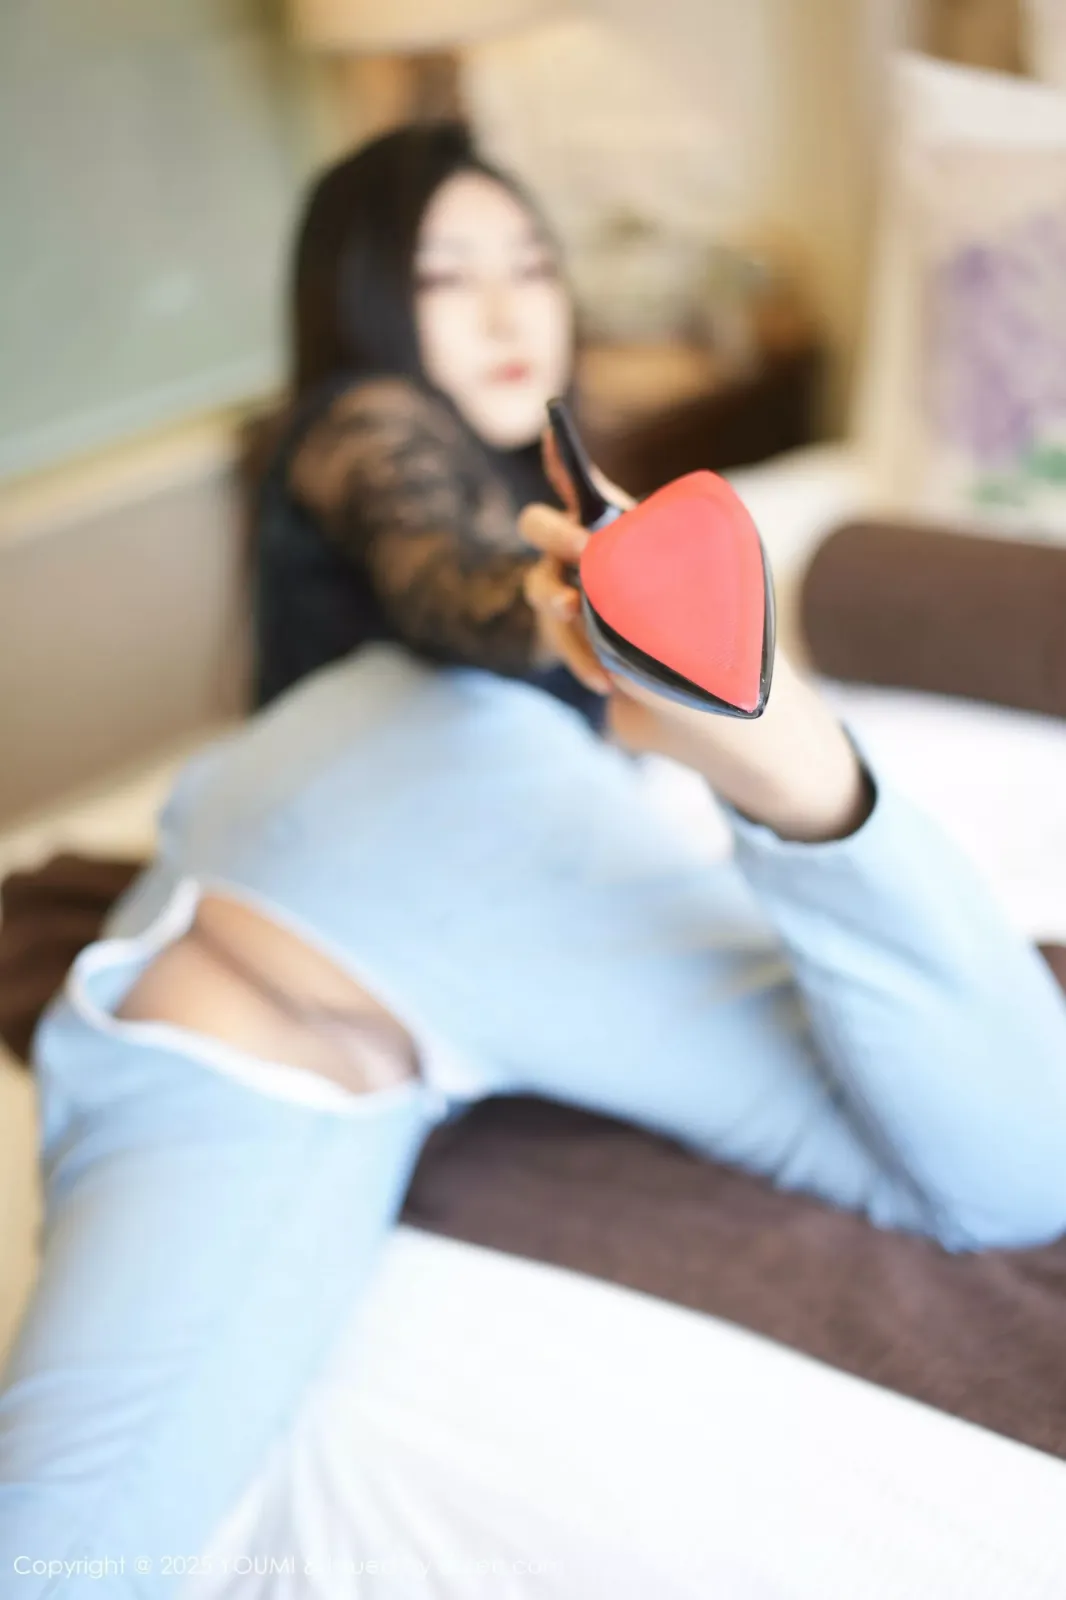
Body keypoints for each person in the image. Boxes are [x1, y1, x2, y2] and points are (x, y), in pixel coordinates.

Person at [3, 433, 1066, 1595]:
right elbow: (422, 546)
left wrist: (591, 612)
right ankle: (793, 763)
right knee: (1008, 1163)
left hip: (302, 848)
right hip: (437, 799)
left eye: (533, 294)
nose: (509, 336)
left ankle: (774, 751)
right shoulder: (375, 431)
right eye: (452, 304)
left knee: (75, 1538)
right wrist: (554, 610)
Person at [253, 119, 601, 726]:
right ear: (359, 291)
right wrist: (574, 601)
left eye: (531, 268)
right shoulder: (363, 422)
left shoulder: (515, 451)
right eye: (444, 279)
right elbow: (447, 585)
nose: (506, 318)